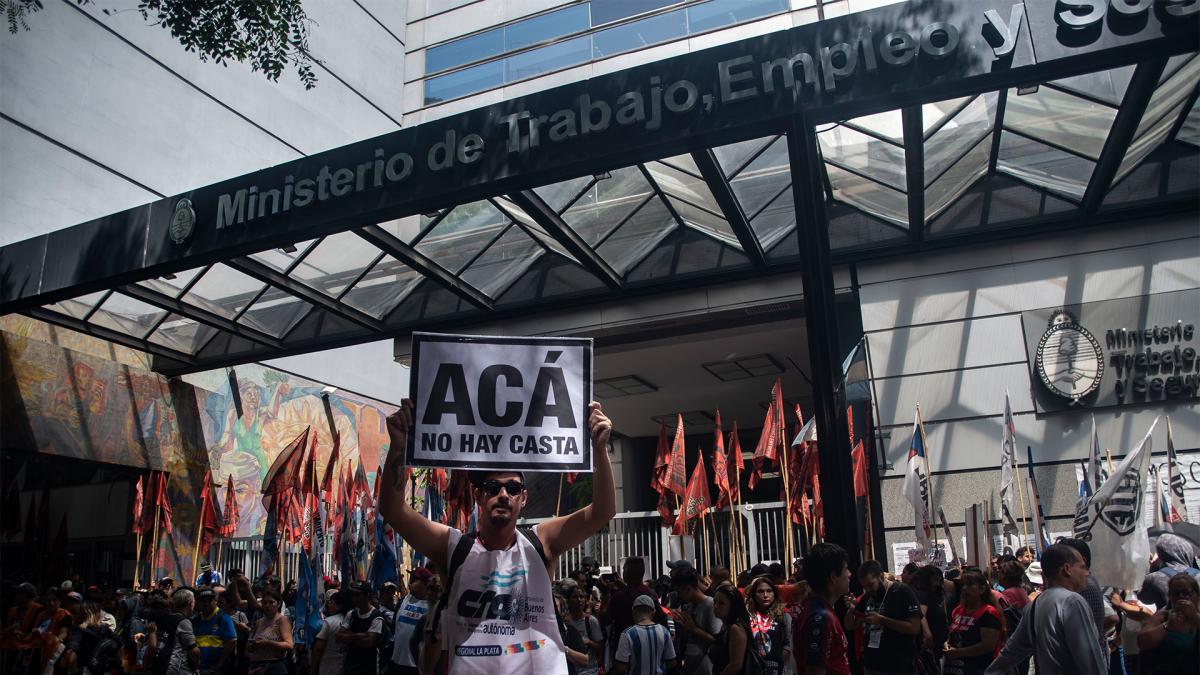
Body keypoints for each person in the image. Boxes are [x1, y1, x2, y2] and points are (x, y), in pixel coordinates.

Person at [377, 399, 616, 674]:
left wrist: (599, 448)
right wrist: (398, 445)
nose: (503, 494)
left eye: (513, 488)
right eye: (492, 487)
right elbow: (393, 510)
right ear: (479, 495)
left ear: (523, 498)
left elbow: (603, 511)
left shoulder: (541, 542)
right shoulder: (454, 547)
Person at [983, 544, 1107, 675]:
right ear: (1066, 569)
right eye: (1082, 567)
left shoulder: (1035, 605)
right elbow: (1090, 657)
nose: (1086, 573)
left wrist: (991, 672)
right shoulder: (1072, 602)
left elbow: (1012, 651)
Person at [846, 560, 922, 675]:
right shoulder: (867, 597)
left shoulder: (902, 592)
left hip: (898, 665)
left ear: (881, 576)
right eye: (864, 586)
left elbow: (914, 628)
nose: (868, 589)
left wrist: (882, 620)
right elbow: (850, 625)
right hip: (871, 664)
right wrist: (851, 610)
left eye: (871, 584)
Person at [794, 542, 852, 675]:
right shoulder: (821, 617)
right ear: (833, 577)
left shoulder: (818, 610)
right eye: (846, 569)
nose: (849, 574)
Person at [1136, 573, 1199, 675]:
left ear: (1197, 595)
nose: (1181, 597)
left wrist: (1195, 617)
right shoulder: (1163, 616)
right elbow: (1142, 641)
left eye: (1186, 593)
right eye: (1176, 593)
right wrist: (1168, 626)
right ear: (1169, 595)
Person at [943, 570, 1002, 675]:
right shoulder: (958, 610)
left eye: (970, 585)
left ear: (982, 589)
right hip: (954, 668)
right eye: (963, 585)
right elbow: (953, 633)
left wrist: (959, 652)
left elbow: (988, 645)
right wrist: (947, 644)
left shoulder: (988, 613)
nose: (965, 588)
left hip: (979, 668)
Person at [1135, 533, 1200, 618]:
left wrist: (1153, 567)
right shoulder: (1198, 574)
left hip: (1170, 626)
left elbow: (1144, 599)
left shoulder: (1154, 578)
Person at [671, 570, 721, 675]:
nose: (679, 596)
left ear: (688, 589)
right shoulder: (688, 606)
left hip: (706, 665)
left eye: (679, 592)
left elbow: (718, 640)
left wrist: (694, 629)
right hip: (691, 664)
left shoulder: (710, 605)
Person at [613, 595, 676, 675]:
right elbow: (672, 663)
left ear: (633, 611)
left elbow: (620, 667)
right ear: (653, 612)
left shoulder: (627, 634)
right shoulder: (664, 632)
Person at [390, 568, 435, 675]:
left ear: (425, 584)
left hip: (417, 666)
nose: (410, 582)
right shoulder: (405, 600)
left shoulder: (433, 606)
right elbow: (394, 627)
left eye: (415, 579)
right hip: (397, 662)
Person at [745, 576, 792, 675]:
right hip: (753, 668)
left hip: (777, 668)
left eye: (769, 591)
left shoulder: (783, 616)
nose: (765, 595)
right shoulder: (747, 617)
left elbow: (788, 644)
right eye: (760, 591)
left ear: (774, 594)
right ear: (754, 595)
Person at [146, 588, 200, 675]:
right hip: (176, 668)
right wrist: (197, 666)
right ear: (190, 602)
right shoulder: (183, 621)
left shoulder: (164, 619)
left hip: (160, 666)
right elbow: (194, 651)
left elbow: (153, 647)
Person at [338, 582, 384, 675]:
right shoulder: (351, 614)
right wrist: (361, 635)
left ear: (367, 596)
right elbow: (338, 637)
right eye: (354, 595)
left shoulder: (376, 616)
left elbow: (369, 642)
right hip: (351, 665)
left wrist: (349, 636)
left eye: (358, 595)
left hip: (368, 667)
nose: (354, 599)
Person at [912, 565, 948, 675]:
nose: (937, 584)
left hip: (938, 648)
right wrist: (928, 635)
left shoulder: (937, 596)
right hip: (927, 649)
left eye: (939, 580)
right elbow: (920, 616)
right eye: (934, 580)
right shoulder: (922, 595)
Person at [246, 589, 292, 675]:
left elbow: (289, 645)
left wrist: (268, 643)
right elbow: (249, 645)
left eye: (271, 602)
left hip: (274, 666)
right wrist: (253, 645)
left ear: (278, 604)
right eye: (265, 603)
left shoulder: (282, 620)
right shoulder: (259, 622)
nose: (267, 605)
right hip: (256, 666)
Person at [192, 588, 236, 675]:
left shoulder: (223, 617)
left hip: (215, 670)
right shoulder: (195, 621)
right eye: (203, 601)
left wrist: (219, 664)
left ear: (215, 601)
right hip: (199, 669)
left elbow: (231, 641)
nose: (206, 604)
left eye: (210, 600)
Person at [709, 586, 748, 675]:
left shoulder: (735, 629)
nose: (715, 606)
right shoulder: (726, 625)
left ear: (733, 606)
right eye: (715, 602)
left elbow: (735, 665)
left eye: (721, 603)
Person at [567, 583, 604, 675]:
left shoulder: (591, 621)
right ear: (568, 600)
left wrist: (589, 642)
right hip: (571, 670)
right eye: (575, 597)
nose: (579, 600)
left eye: (582, 597)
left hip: (590, 670)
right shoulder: (565, 622)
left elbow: (600, 647)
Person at [313, 590, 349, 675]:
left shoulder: (328, 622)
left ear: (338, 606)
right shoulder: (351, 620)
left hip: (328, 667)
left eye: (331, 602)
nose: (328, 605)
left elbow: (318, 648)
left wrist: (313, 670)